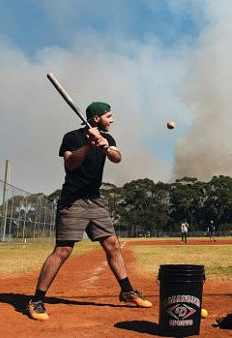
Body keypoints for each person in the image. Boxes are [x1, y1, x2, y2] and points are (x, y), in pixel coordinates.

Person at [27, 102, 152, 321]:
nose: (112, 120)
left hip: (96, 200)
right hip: (73, 200)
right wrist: (88, 146)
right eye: (108, 116)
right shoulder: (72, 137)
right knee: (63, 249)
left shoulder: (107, 138)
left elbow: (117, 157)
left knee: (112, 244)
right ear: (96, 118)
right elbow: (70, 164)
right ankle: (37, 300)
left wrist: (103, 146)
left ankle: (127, 291)